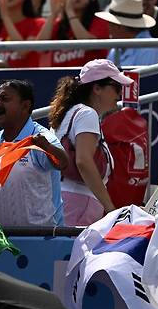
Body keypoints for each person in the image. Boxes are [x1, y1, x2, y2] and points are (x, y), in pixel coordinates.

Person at [0, 80, 67, 226]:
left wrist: (47, 147)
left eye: (4, 99)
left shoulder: (42, 139)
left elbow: (62, 162)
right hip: (3, 241)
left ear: (25, 106)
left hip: (44, 240)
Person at [49, 59, 126, 226]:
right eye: (116, 88)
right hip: (80, 203)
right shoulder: (87, 114)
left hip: (64, 199)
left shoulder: (69, 112)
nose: (119, 95)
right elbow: (84, 162)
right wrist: (110, 208)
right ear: (97, 88)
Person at [35, 0, 109, 67]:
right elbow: (39, 48)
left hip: (91, 80)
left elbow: (88, 45)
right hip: (62, 80)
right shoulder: (59, 23)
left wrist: (70, 11)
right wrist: (53, 14)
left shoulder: (100, 21)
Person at [101, 0, 158, 66]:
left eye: (110, 22)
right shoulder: (116, 49)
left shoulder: (149, 51)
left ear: (118, 26)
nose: (108, 27)